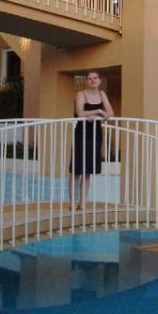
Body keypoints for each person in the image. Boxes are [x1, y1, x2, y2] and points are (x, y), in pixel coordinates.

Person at [68, 71, 114, 210]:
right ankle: (72, 203)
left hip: (95, 134)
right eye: (89, 78)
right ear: (86, 82)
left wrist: (99, 113)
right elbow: (80, 113)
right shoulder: (81, 94)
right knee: (76, 171)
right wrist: (98, 112)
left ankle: (82, 203)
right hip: (81, 133)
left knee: (88, 172)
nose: (92, 80)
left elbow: (110, 113)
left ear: (100, 80)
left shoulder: (102, 94)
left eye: (95, 78)